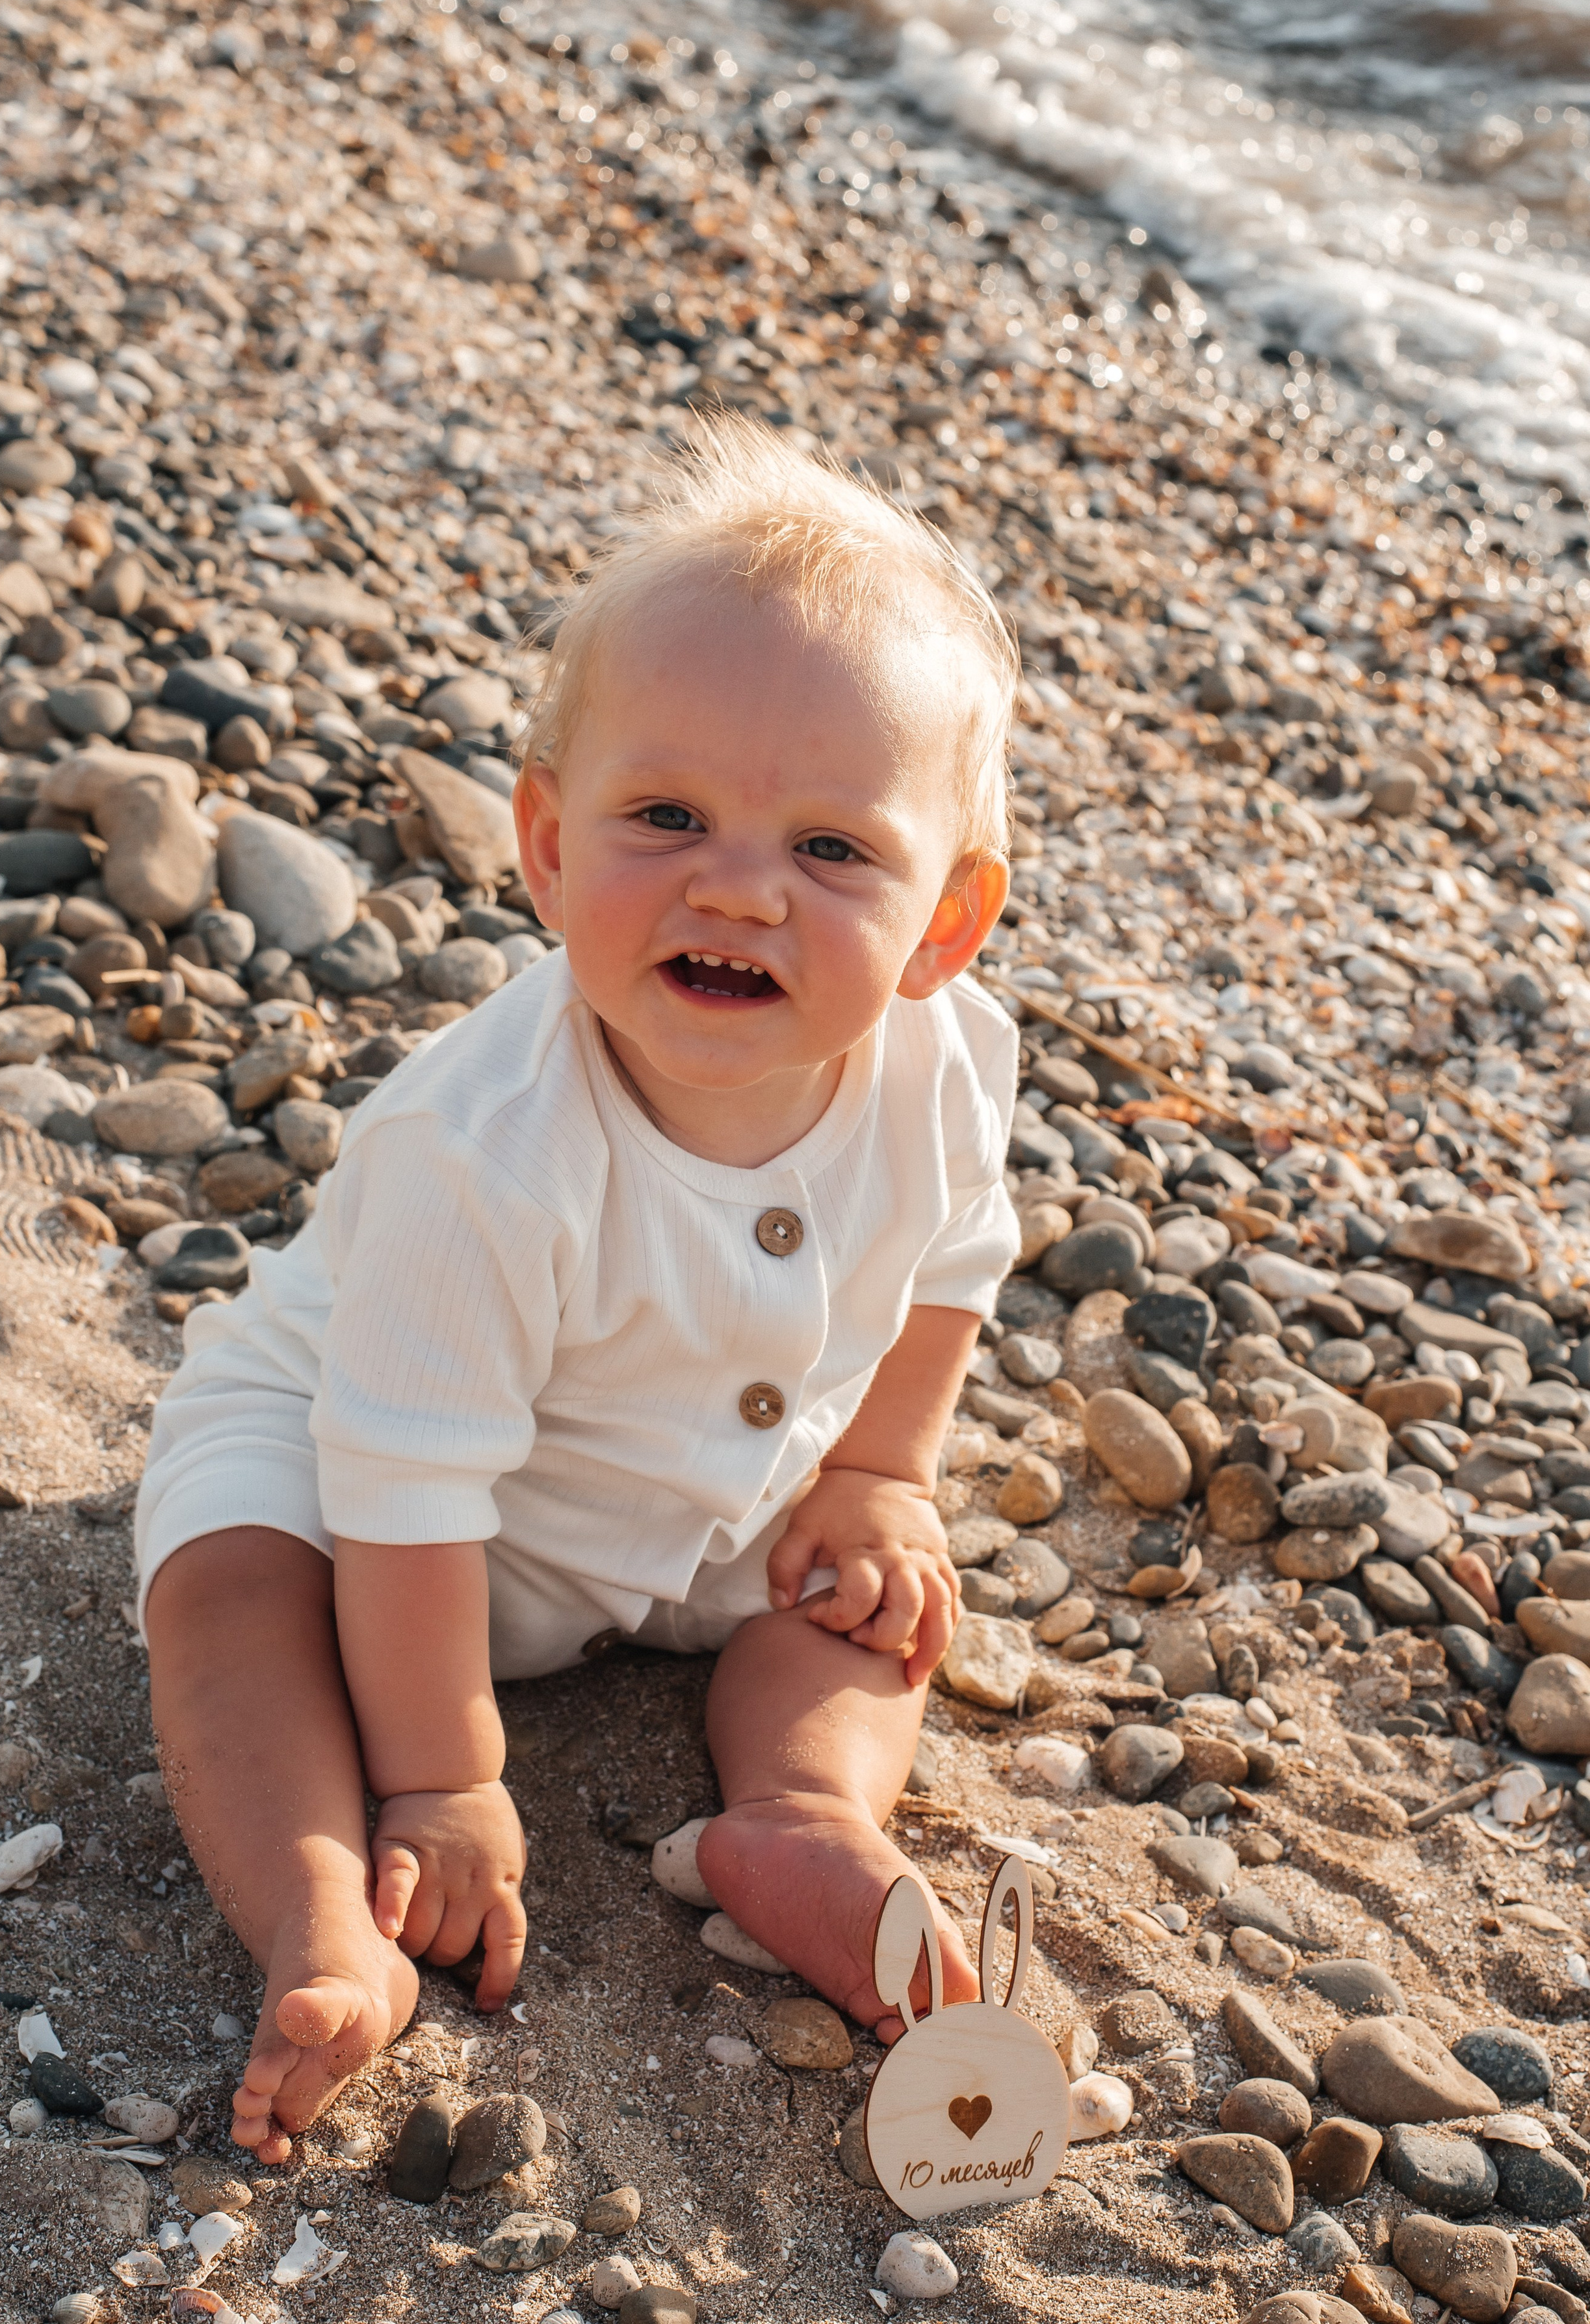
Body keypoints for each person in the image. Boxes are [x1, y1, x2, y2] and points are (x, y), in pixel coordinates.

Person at [137, 417, 1023, 2162]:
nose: (738, 885)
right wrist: (444, 1777)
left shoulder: (947, 1067)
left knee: (864, 1608)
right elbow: (400, 1489)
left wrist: (879, 1471)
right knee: (227, 1599)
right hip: (359, 1488)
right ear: (546, 844)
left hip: (713, 1498)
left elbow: (952, 1262)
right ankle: (322, 1927)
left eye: (834, 850)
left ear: (946, 919)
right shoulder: (483, 1148)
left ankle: (804, 1814)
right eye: (666, 816)